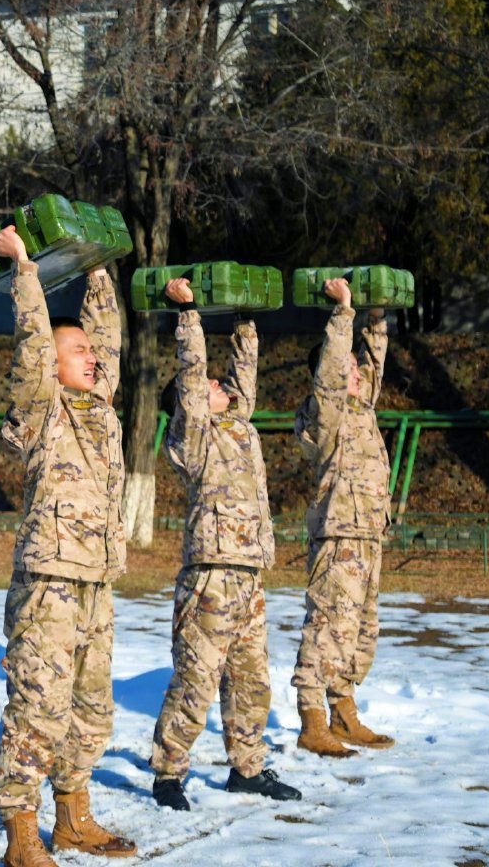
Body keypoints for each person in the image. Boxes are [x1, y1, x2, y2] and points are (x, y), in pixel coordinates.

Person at [0, 226, 135, 867]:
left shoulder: (102, 410)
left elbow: (110, 339)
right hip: (48, 579)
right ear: (52, 361)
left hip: (96, 580)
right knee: (38, 707)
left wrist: (98, 271)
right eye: (76, 349)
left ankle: (74, 818)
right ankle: (22, 831)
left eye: (91, 349)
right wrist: (25, 270)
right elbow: (30, 347)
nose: (91, 356)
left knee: (91, 708)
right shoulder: (43, 408)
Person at [149, 278, 300, 811]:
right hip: (211, 575)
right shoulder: (192, 436)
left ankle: (247, 768)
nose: (220, 384)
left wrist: (244, 320)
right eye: (212, 386)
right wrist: (188, 316)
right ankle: (168, 773)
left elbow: (243, 377)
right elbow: (192, 381)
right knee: (197, 680)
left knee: (252, 681)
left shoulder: (237, 425)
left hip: (249, 575)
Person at [291, 277, 397, 755]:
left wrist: (377, 317)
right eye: (345, 368)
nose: (355, 372)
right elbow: (335, 372)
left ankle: (344, 709)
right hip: (338, 535)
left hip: (369, 533)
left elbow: (372, 364)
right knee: (329, 625)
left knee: (362, 630)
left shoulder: (362, 407)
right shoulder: (324, 414)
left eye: (355, 367)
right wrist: (344, 315)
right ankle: (312, 718)